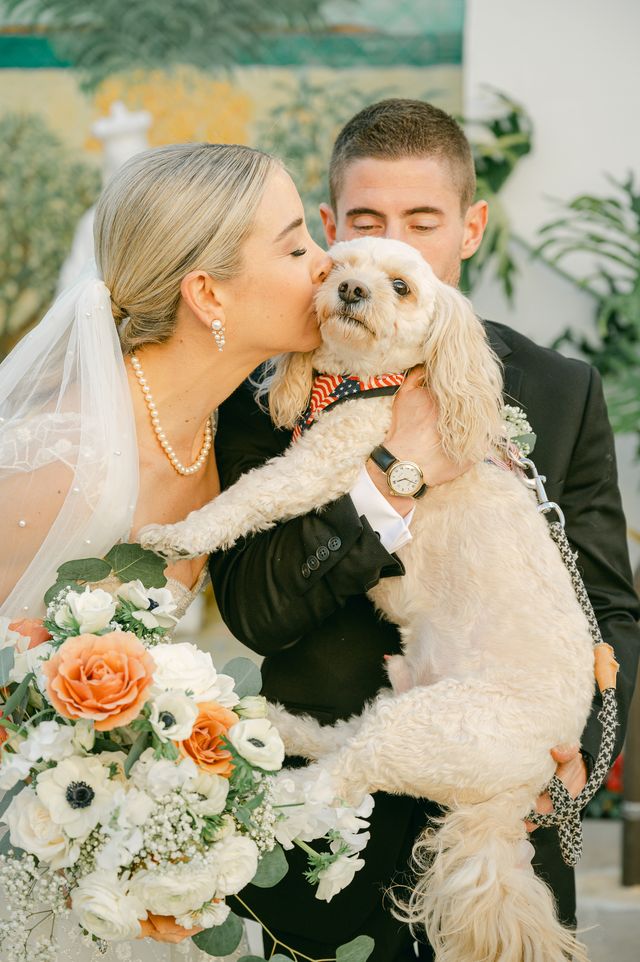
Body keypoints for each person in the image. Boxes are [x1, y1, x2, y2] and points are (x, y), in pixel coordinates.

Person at [209, 100, 640, 961]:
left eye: (423, 221)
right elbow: (256, 612)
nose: (394, 242)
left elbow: (610, 609)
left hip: (504, 822)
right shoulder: (266, 387)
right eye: (366, 221)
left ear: (470, 228)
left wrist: (571, 755)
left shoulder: (557, 388)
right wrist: (391, 474)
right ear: (331, 229)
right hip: (326, 841)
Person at [0, 141, 331, 961]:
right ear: (207, 291)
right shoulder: (62, 460)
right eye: (295, 246)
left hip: (151, 870)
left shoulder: (236, 428)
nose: (327, 264)